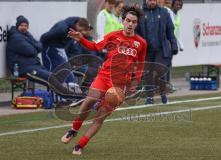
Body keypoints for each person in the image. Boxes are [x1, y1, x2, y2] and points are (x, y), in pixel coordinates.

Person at [61, 6, 147, 156]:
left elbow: (140, 64)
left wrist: (135, 83)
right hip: (104, 76)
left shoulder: (141, 43)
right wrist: (81, 39)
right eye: (127, 20)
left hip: (119, 86)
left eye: (133, 22)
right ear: (123, 21)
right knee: (89, 100)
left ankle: (80, 145)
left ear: (137, 24)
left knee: (101, 115)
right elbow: (95, 46)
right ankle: (73, 130)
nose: (130, 24)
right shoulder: (113, 36)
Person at [6, 15, 83, 98]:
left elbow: (39, 46)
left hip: (33, 66)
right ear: (17, 26)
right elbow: (32, 51)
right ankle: (67, 98)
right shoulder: (16, 37)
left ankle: (70, 97)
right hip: (24, 68)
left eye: (26, 26)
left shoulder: (27, 35)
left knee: (55, 77)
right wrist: (35, 47)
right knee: (51, 78)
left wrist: (35, 47)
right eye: (21, 25)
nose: (24, 27)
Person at [136, 0, 178, 104]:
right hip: (147, 50)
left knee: (160, 71)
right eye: (150, 0)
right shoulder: (140, 13)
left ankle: (163, 94)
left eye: (154, 0)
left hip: (161, 48)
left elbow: (170, 30)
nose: (152, 2)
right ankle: (149, 97)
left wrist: (174, 45)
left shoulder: (164, 12)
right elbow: (136, 32)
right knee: (148, 74)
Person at [40, 17, 85, 93]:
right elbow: (44, 38)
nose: (79, 32)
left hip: (60, 48)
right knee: (53, 73)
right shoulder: (61, 28)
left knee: (67, 71)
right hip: (49, 49)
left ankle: (72, 94)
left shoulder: (73, 29)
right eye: (80, 30)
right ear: (77, 24)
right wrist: (40, 48)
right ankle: (53, 96)